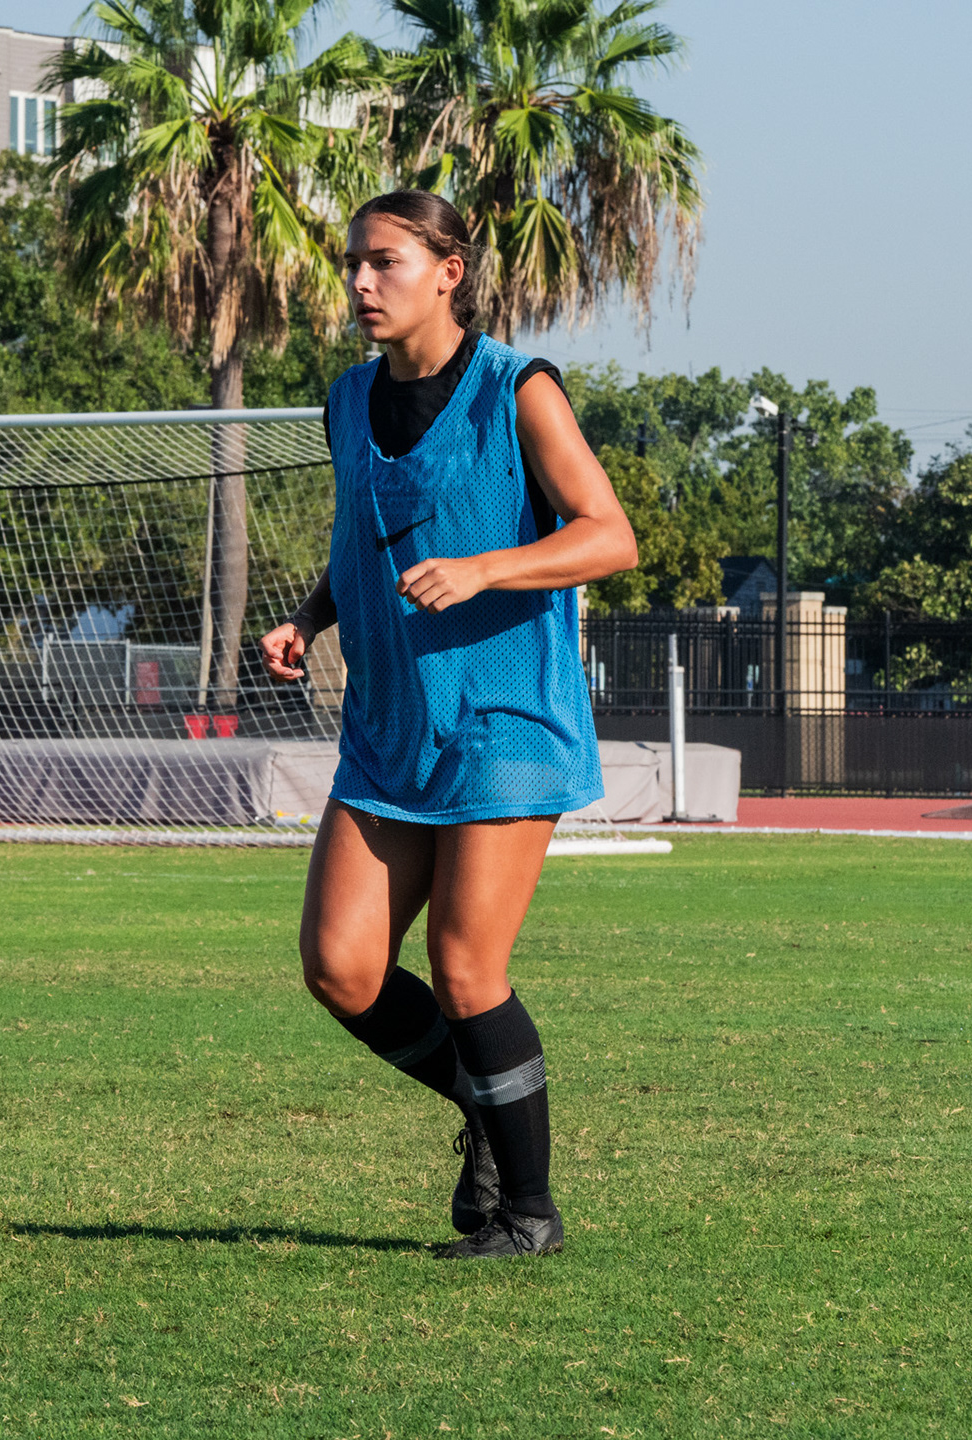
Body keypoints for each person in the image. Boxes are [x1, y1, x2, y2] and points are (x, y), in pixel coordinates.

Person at [258, 191, 638, 1259]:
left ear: (448, 272)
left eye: (384, 261)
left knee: (468, 969)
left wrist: (484, 569)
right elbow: (362, 536)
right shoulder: (346, 400)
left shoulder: (519, 387)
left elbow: (610, 536)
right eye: (353, 262)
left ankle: (529, 1213)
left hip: (502, 721)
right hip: (388, 729)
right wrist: (310, 616)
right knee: (341, 967)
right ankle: (487, 1102)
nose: (360, 282)